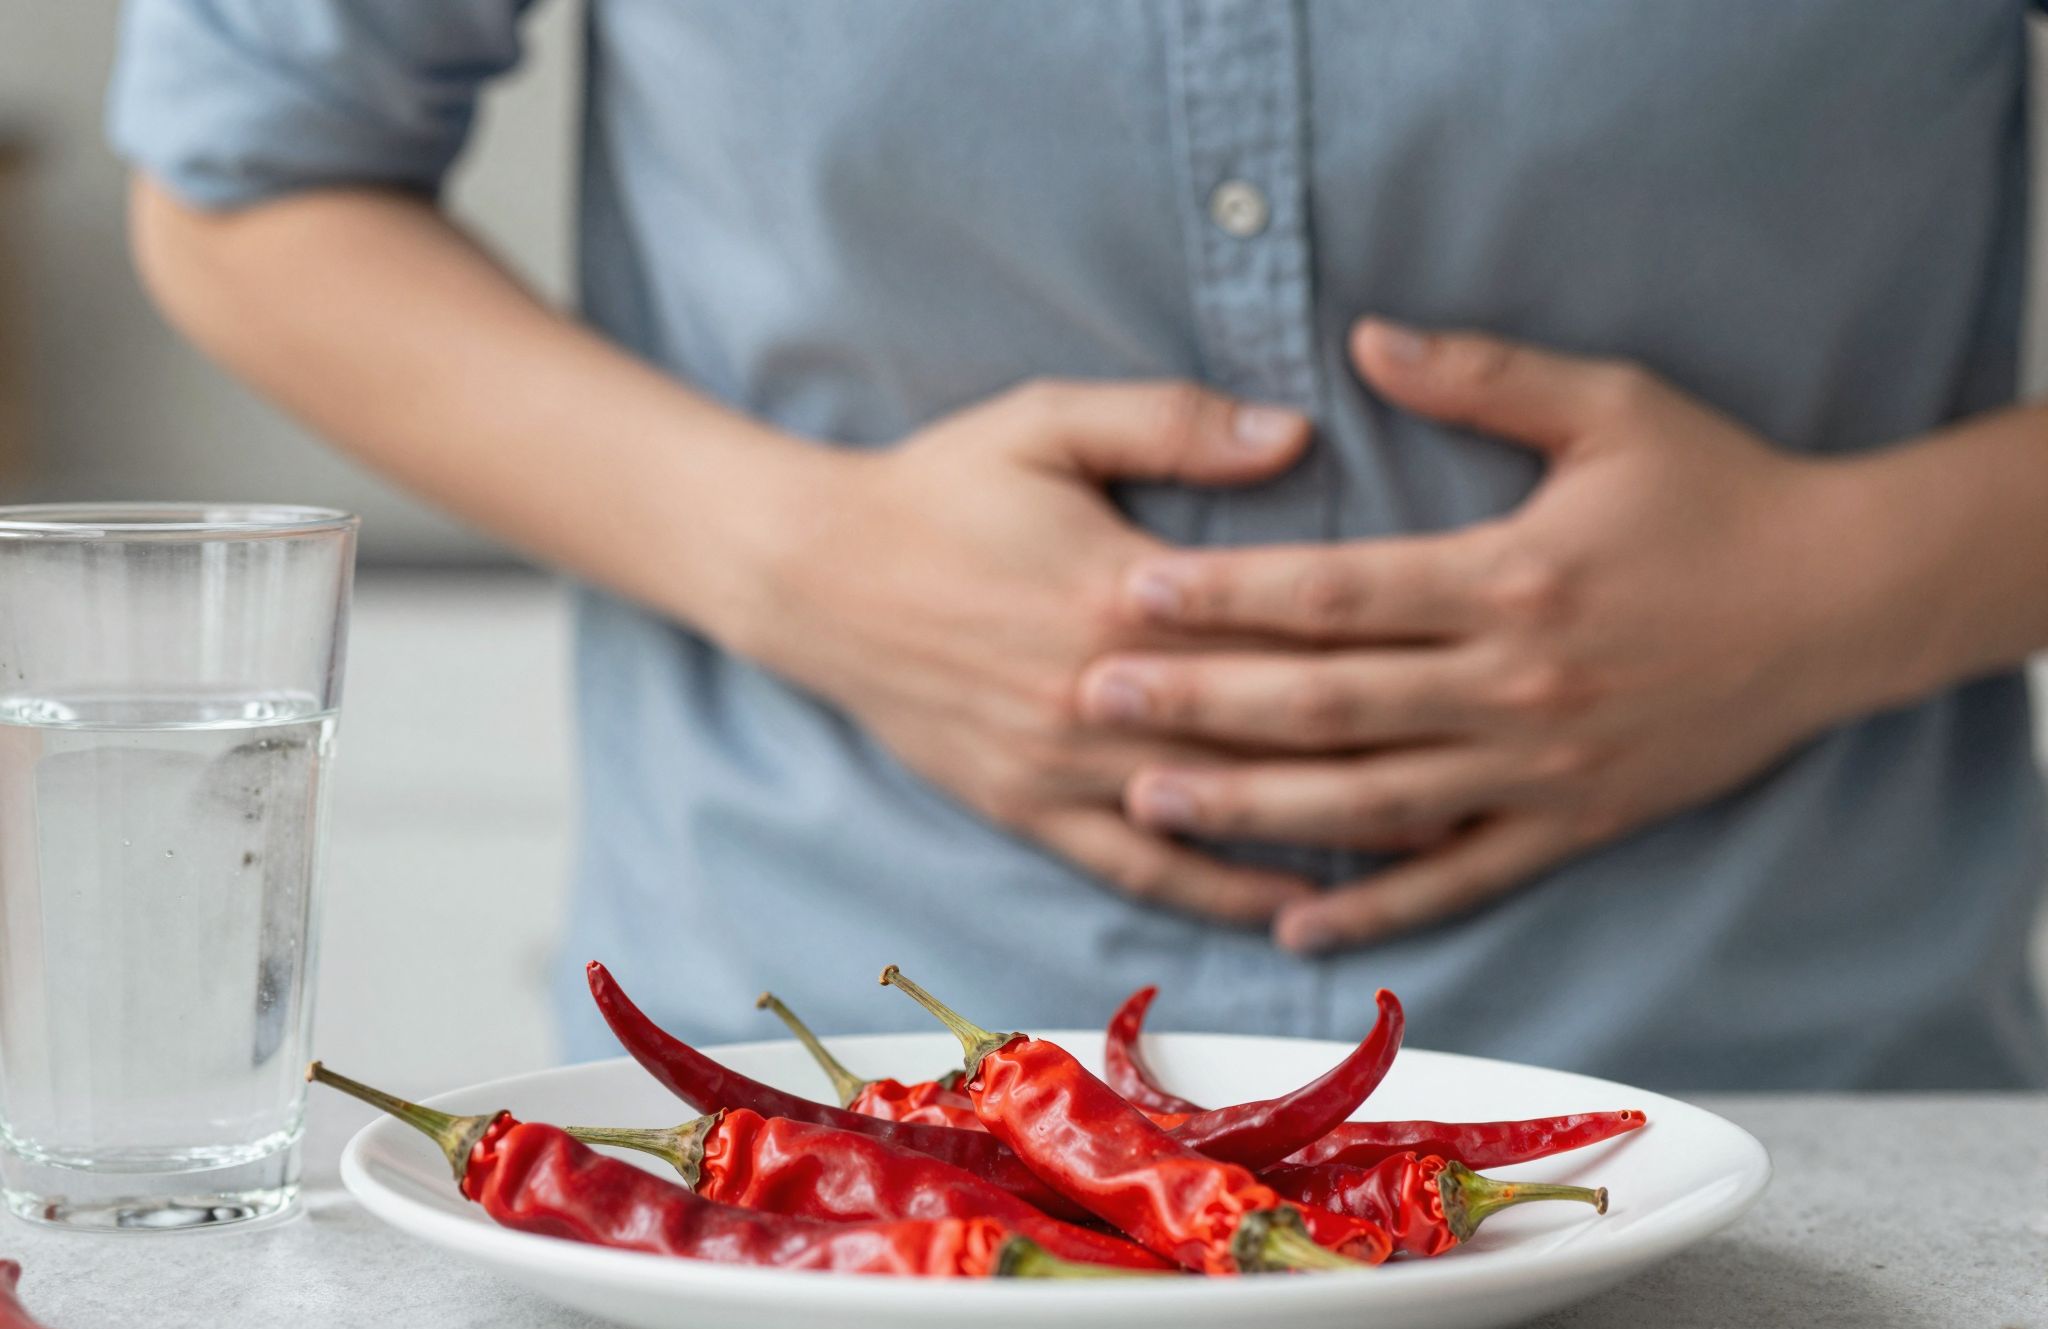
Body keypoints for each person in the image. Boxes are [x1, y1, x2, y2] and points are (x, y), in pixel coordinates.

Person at [109, 0, 2048, 1090]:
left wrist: (1838, 590)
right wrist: (795, 558)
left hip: (1795, 1103)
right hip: (811, 1136)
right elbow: (244, 185)